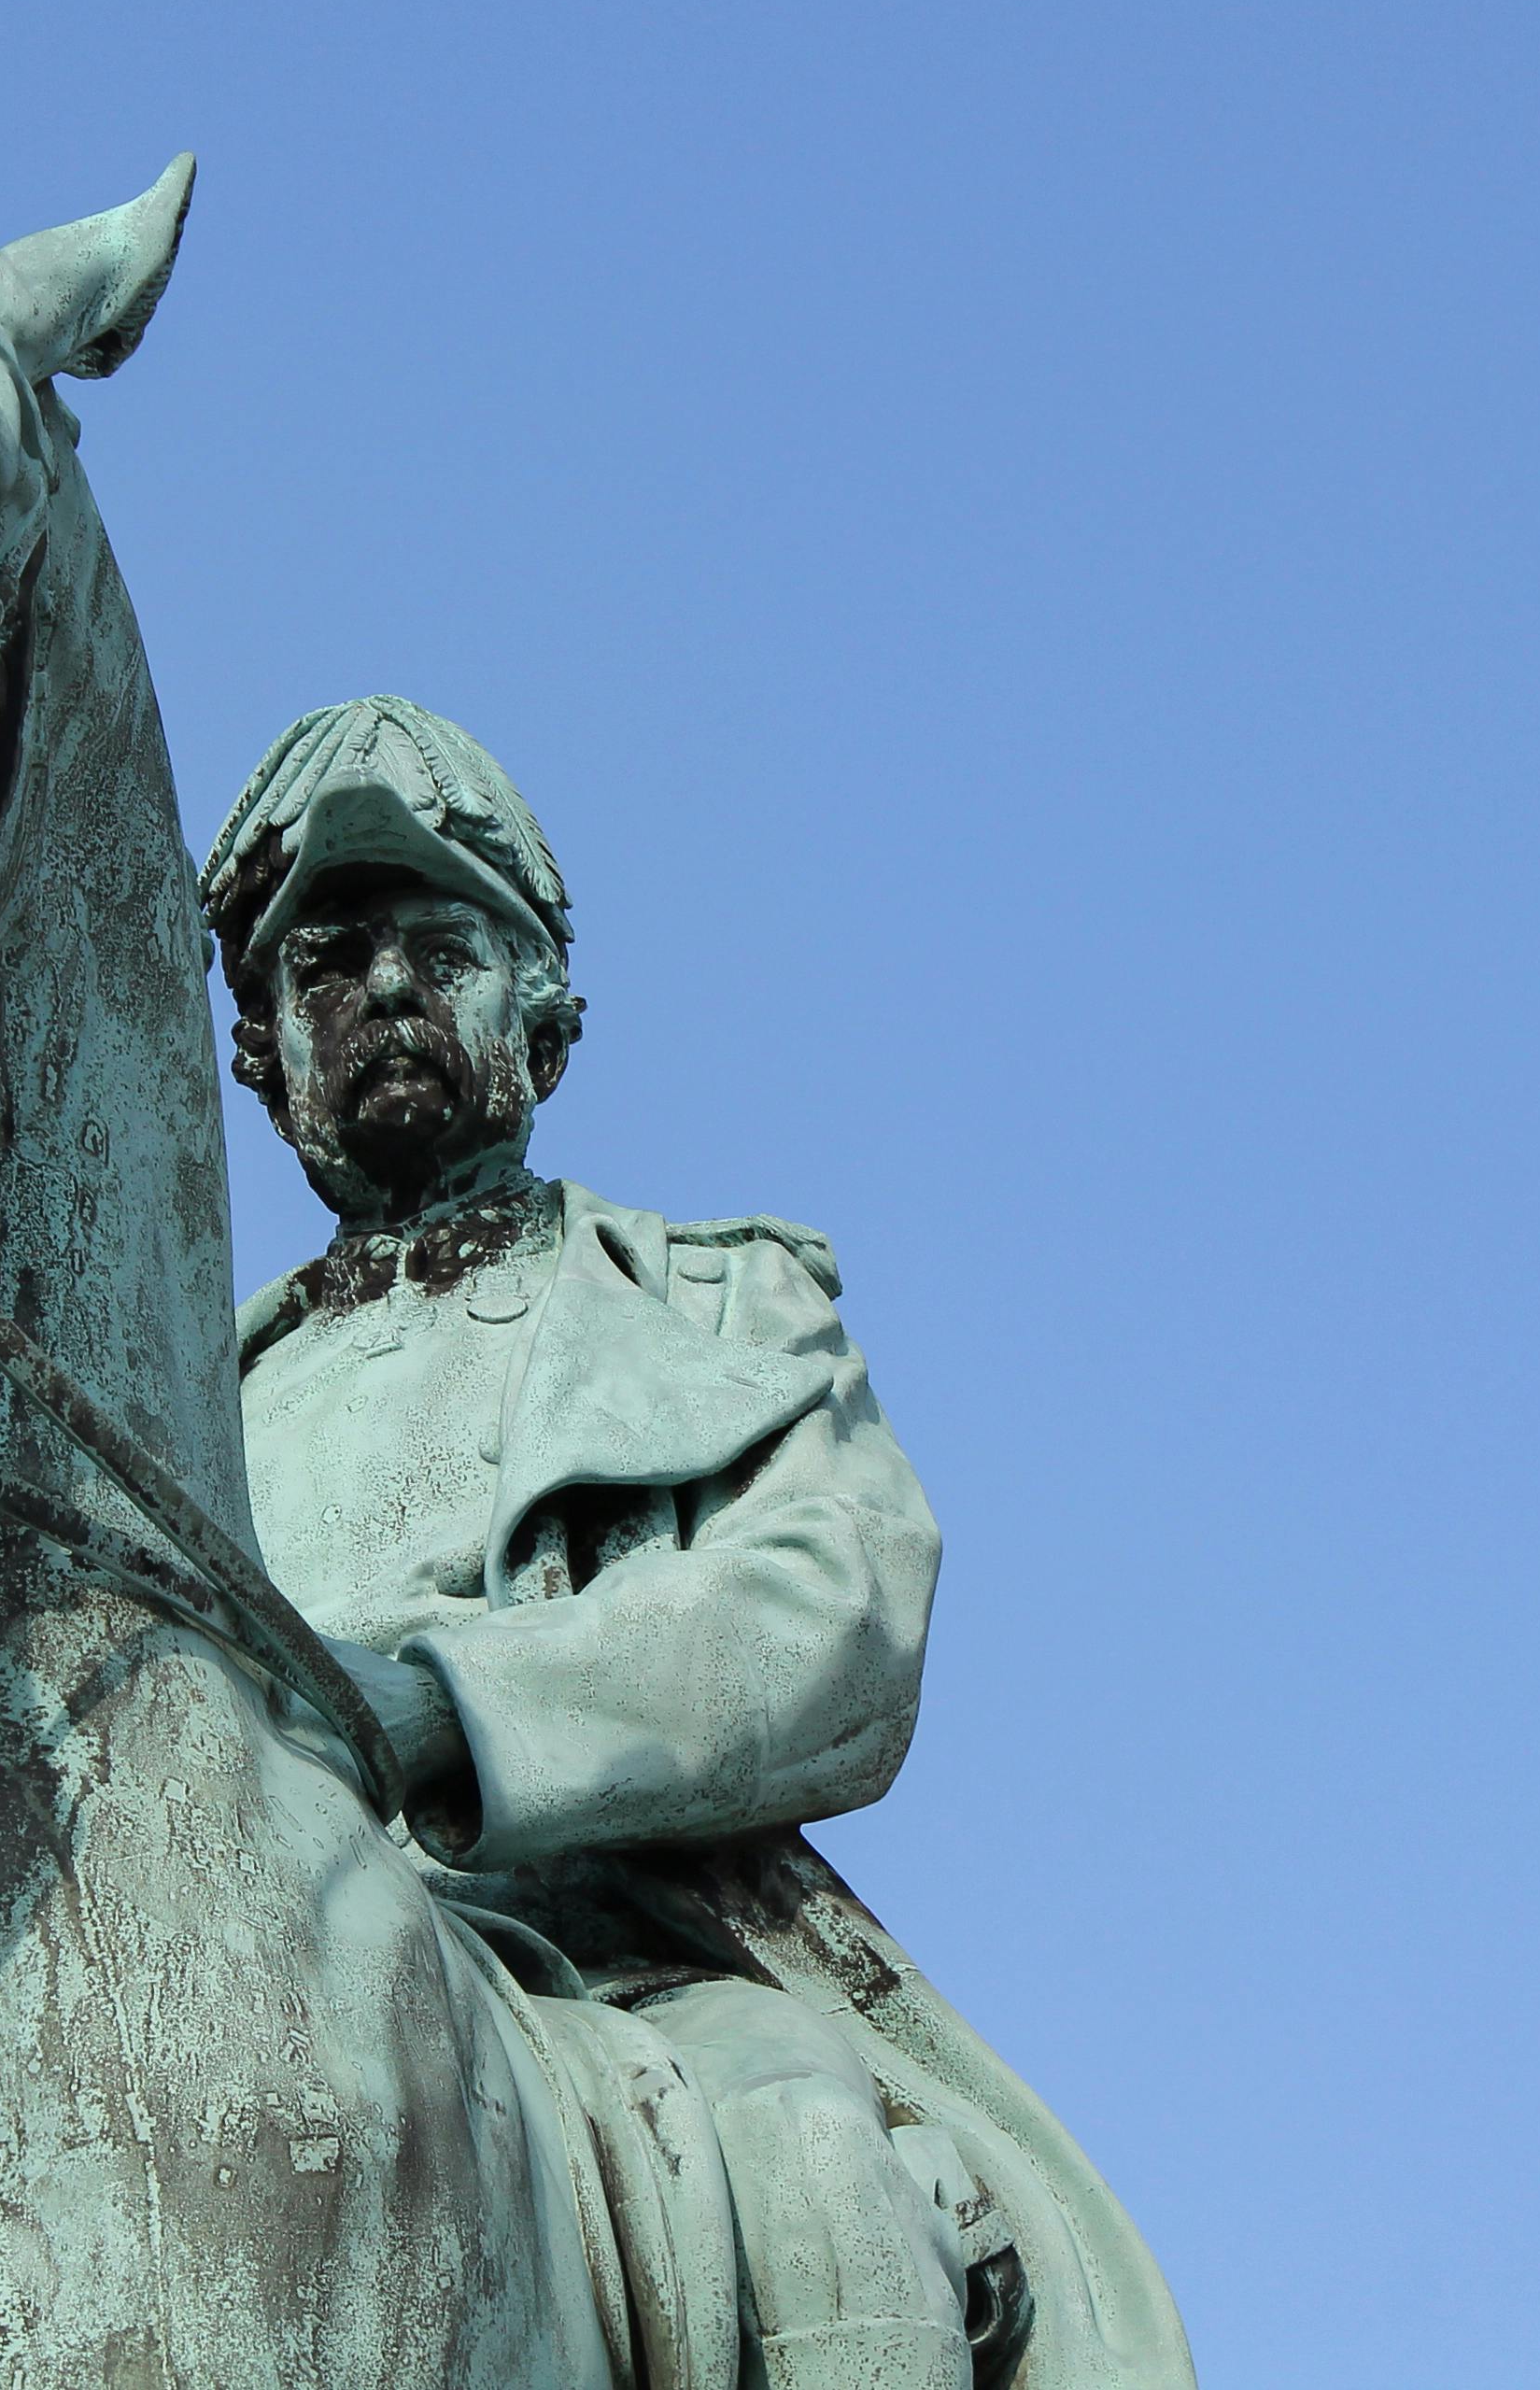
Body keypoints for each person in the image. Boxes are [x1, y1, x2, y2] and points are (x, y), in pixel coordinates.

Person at [204, 698, 1194, 2390]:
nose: (380, 991)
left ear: (550, 1018)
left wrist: (457, 1708)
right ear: (262, 1060)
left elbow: (838, 1617)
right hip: (232, 1949)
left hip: (613, 1973)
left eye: (442, 945)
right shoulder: (177, 1390)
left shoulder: (716, 1309)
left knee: (812, 2152)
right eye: (326, 965)